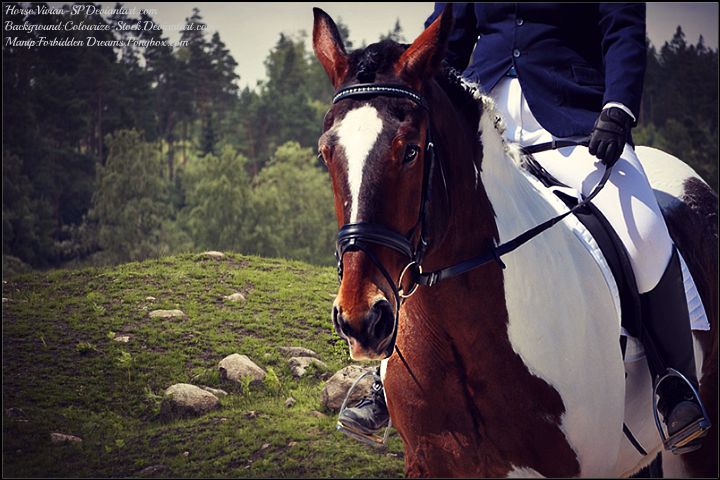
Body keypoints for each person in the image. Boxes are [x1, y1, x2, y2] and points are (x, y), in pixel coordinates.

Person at [337, 3, 709, 454]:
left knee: (644, 230)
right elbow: (448, 37)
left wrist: (618, 107)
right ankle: (386, 378)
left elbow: (622, 27)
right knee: (423, 230)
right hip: (480, 118)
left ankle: (674, 383)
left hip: (576, 121)